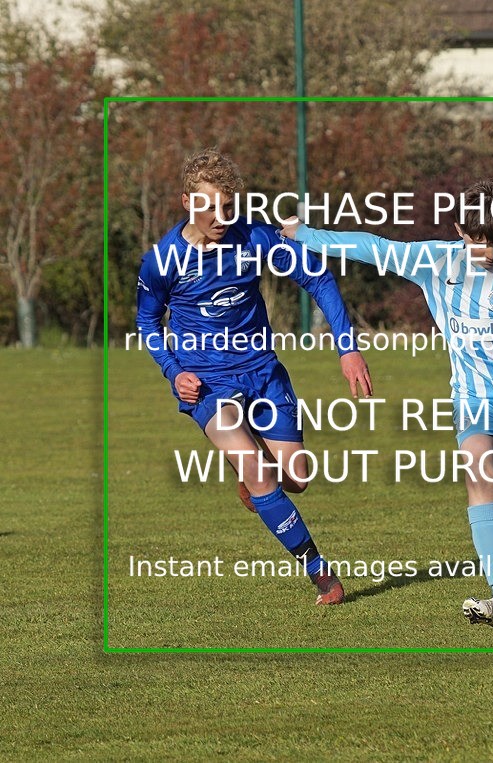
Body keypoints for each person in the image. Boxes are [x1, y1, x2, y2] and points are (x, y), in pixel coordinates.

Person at [280, 179, 493, 634]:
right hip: (477, 402)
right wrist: (306, 235)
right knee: (480, 477)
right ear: (460, 229)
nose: (491, 251)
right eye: (481, 242)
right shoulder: (434, 261)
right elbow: (371, 246)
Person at [136, 148, 372, 606]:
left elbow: (317, 278)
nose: (221, 217)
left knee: (297, 477)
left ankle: (255, 478)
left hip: (263, 373)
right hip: (206, 384)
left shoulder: (254, 239)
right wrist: (174, 371)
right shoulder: (162, 261)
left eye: (228, 207)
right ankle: (321, 573)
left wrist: (348, 348)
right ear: (187, 202)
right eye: (209, 208)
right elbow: (148, 323)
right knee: (260, 472)